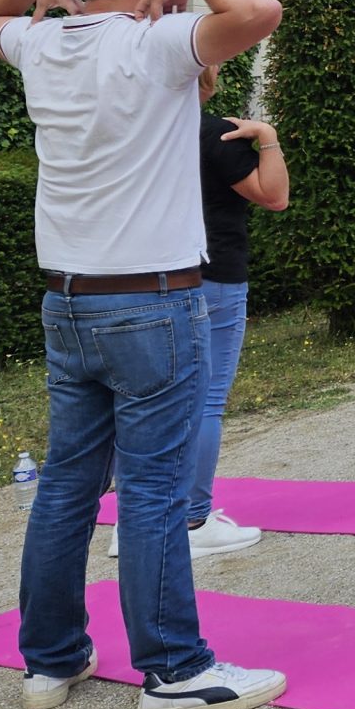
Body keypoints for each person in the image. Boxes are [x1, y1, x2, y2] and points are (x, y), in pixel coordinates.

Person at [0, 0, 287, 709]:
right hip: (151, 300)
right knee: (149, 490)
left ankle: (51, 659)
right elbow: (258, 10)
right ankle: (176, 670)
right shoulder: (154, 44)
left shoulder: (43, 44)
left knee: (68, 486)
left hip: (68, 301)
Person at [109, 64, 287, 561]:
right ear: (204, 81)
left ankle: (134, 521)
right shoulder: (214, 132)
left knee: (140, 403)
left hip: (142, 273)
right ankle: (193, 518)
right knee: (205, 399)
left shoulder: (130, 134)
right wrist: (268, 138)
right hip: (212, 275)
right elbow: (275, 196)